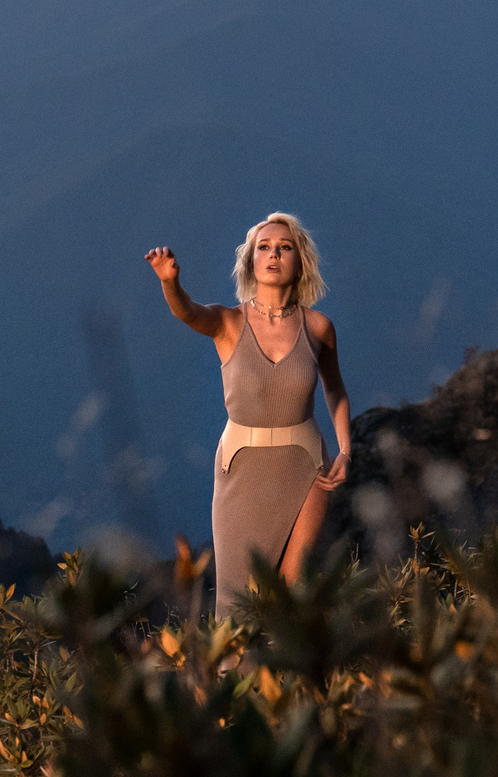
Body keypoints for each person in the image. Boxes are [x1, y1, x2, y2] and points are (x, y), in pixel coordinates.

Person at [145, 213, 350, 617]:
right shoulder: (228, 322)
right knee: (238, 608)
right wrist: (170, 282)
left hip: (308, 469)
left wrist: (346, 450)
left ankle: (288, 681)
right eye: (265, 247)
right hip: (241, 473)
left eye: (285, 247)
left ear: (300, 261)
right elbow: (186, 312)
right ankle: (234, 681)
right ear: (251, 262)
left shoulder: (319, 327)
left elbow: (335, 389)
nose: (274, 254)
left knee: (291, 601)